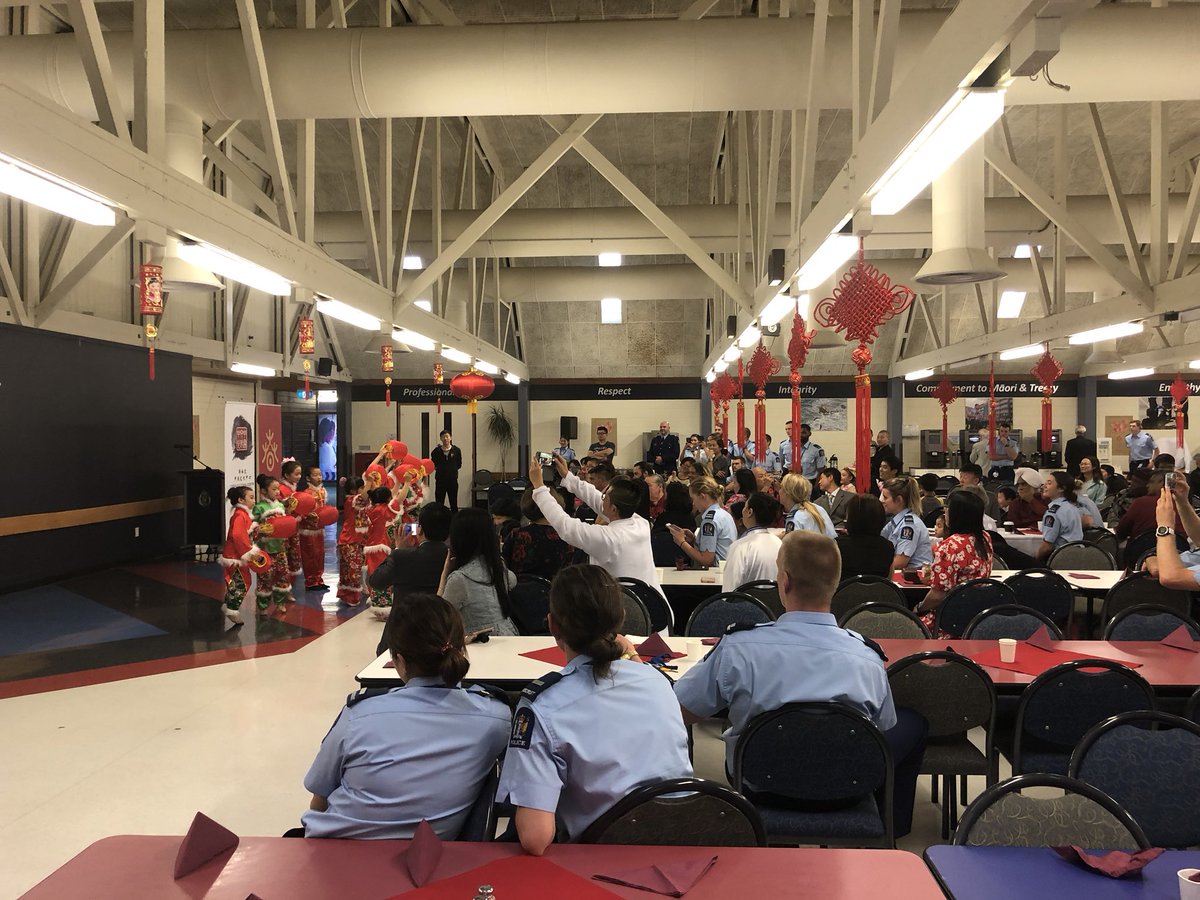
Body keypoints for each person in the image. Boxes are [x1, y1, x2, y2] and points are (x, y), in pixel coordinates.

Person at [673, 530, 927, 839]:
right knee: (913, 723)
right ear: (835, 584)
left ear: (784, 581)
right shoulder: (868, 658)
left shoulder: (739, 647)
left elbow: (679, 711)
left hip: (760, 785)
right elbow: (881, 728)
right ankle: (889, 831)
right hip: (847, 788)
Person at [497, 565, 692, 854]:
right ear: (621, 618)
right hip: (682, 843)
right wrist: (631, 654)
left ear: (552, 626)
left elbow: (535, 839)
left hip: (603, 859)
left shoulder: (543, 707)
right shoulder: (658, 682)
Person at [300, 594, 511, 840]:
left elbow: (320, 796)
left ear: (398, 660)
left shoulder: (358, 716)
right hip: (430, 856)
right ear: (461, 649)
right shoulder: (496, 719)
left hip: (337, 851)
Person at [530, 454, 663, 592]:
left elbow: (564, 525)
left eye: (605, 497)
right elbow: (595, 498)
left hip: (625, 603)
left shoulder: (608, 538)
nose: (602, 498)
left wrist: (539, 488)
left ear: (613, 508)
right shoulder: (640, 523)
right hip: (654, 601)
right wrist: (567, 476)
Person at [370, 501, 453, 651]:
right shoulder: (452, 558)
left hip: (402, 632)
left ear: (420, 530)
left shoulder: (402, 556)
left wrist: (398, 550)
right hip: (440, 632)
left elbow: (376, 581)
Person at [914, 491, 993, 630]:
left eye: (947, 510)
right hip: (979, 617)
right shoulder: (985, 538)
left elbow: (937, 596)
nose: (945, 513)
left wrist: (919, 608)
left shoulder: (949, 546)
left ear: (955, 514)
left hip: (948, 619)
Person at [438, 507, 519, 637]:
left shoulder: (460, 579)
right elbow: (513, 581)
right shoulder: (498, 566)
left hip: (479, 641)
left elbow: (440, 617)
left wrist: (444, 575)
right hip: (509, 635)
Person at [502, 486, 574, 581]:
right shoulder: (567, 537)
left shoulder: (517, 535)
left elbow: (504, 567)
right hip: (557, 588)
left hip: (518, 588)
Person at [722, 492, 784, 590]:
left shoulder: (740, 547)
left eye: (745, 507)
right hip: (778, 599)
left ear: (749, 512)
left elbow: (730, 591)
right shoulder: (780, 545)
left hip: (746, 599)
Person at [252, 474, 294, 615]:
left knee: (282, 575)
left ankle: (280, 602)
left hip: (280, 548)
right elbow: (252, 528)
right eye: (274, 489)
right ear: (264, 491)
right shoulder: (259, 508)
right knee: (265, 577)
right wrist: (260, 530)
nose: (277, 492)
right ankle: (263, 605)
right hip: (265, 550)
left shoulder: (280, 505)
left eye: (278, 489)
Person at [672, 477, 738, 567]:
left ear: (702, 496)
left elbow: (706, 560)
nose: (693, 503)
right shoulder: (724, 514)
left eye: (693, 499)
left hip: (716, 571)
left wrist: (681, 542)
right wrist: (694, 540)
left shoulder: (709, 521)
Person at [218, 485, 256, 625]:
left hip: (236, 554)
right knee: (242, 582)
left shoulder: (242, 514)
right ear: (241, 500)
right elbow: (238, 535)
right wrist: (248, 552)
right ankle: (231, 609)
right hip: (235, 555)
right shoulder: (240, 515)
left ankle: (229, 605)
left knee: (238, 581)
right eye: (251, 498)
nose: (254, 501)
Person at [836, 493, 895, 580]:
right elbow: (888, 580)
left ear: (851, 517)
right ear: (880, 517)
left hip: (844, 588)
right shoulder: (887, 547)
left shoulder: (837, 546)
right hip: (878, 589)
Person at [879, 475, 933, 570]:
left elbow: (900, 563)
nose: (882, 501)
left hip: (914, 575)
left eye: (885, 497)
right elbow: (879, 540)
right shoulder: (895, 521)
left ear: (898, 500)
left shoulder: (909, 526)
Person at [335, 476, 369, 607]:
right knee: (352, 570)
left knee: (350, 569)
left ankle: (348, 594)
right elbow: (363, 497)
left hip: (355, 540)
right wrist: (370, 482)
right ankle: (351, 596)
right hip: (349, 541)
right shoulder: (352, 500)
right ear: (354, 491)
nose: (364, 490)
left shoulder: (358, 502)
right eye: (362, 487)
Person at [1035, 471, 1084, 559]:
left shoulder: (1053, 512)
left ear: (1061, 488)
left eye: (1049, 483)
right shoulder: (1072, 506)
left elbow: (1047, 547)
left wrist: (1035, 559)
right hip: (1078, 555)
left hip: (1060, 557)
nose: (1044, 486)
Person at [299, 465, 329, 591]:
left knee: (320, 554)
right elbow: (301, 511)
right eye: (315, 475)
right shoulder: (306, 493)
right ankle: (311, 581)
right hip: (308, 529)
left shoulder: (322, 491)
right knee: (310, 555)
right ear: (308, 478)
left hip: (319, 527)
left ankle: (319, 578)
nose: (319, 477)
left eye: (320, 474)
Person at [779, 473, 836, 538]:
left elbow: (792, 543)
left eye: (781, 488)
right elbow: (833, 537)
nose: (779, 491)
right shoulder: (818, 509)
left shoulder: (795, 517)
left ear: (787, 493)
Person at [278, 460, 305, 580]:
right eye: (296, 474)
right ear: (286, 475)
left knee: (294, 553)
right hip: (285, 527)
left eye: (300, 474)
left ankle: (290, 582)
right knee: (286, 554)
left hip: (293, 526)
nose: (299, 476)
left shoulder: (292, 488)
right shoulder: (282, 489)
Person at [430, 430, 463, 514]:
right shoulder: (436, 451)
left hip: (452, 480)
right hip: (440, 480)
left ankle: (454, 519)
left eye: (447, 436)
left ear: (450, 438)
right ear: (441, 439)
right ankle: (439, 519)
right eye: (443, 437)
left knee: (453, 502)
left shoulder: (456, 450)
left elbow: (459, 464)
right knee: (439, 502)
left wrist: (452, 469)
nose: (445, 438)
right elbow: (433, 464)